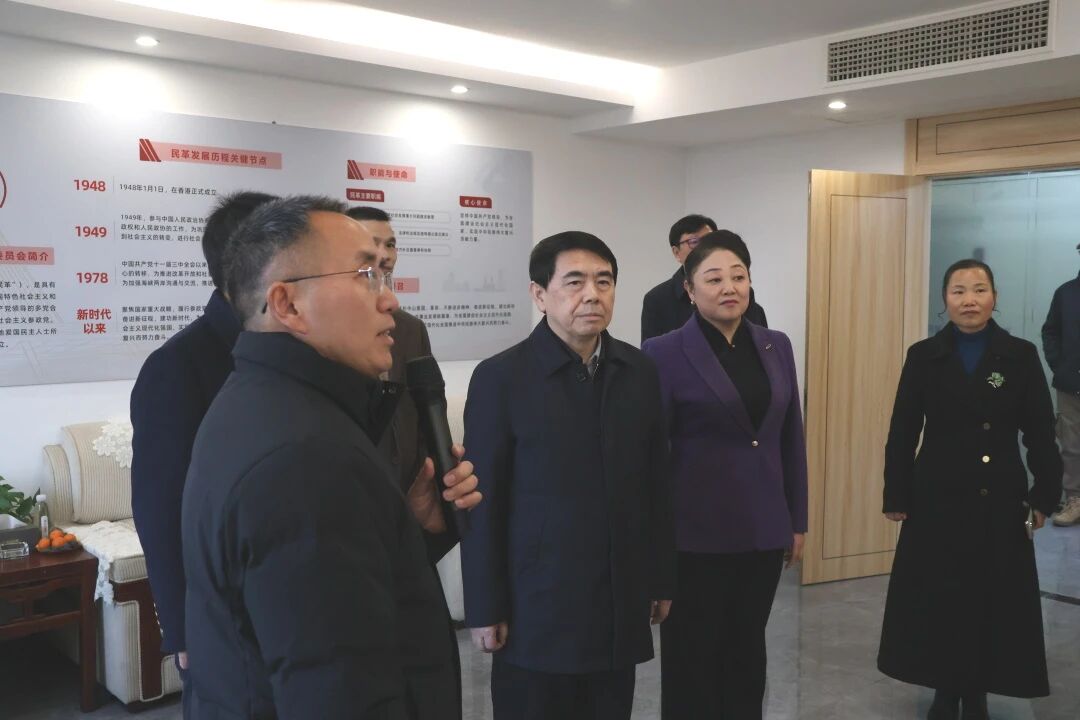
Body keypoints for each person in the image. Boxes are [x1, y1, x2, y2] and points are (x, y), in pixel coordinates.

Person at [181, 196, 481, 719]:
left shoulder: (263, 399)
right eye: (366, 275)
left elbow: (338, 600)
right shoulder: (306, 458)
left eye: (385, 274)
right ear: (288, 304)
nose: (389, 300)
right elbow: (337, 688)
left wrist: (412, 527)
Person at [461, 231, 675, 720]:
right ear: (539, 294)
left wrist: (660, 576)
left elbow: (656, 483)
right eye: (575, 282)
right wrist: (485, 606)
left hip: (617, 597)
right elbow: (482, 502)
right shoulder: (501, 377)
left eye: (604, 281)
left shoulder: (638, 371)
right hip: (537, 603)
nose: (592, 295)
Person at [879, 259, 1062, 720]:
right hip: (935, 497)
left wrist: (1044, 495)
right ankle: (945, 688)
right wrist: (896, 493)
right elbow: (903, 429)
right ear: (945, 300)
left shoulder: (1019, 355)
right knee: (940, 597)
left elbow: (1041, 431)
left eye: (979, 290)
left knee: (990, 598)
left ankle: (977, 689)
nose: (969, 300)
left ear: (994, 297)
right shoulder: (924, 355)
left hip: (999, 497)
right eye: (958, 291)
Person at [641, 232, 808, 719]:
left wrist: (796, 519)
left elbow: (790, 437)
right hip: (693, 536)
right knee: (692, 658)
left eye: (739, 276)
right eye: (713, 279)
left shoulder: (775, 345)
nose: (729, 287)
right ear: (690, 290)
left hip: (762, 530)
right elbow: (652, 453)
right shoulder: (663, 351)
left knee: (747, 653)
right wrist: (652, 538)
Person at [130, 190, 277, 684]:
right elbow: (160, 509)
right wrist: (182, 629)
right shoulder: (177, 366)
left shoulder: (299, 350)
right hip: (225, 612)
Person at [640, 215, 767, 343]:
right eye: (694, 242)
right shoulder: (657, 299)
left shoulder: (746, 298)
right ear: (676, 252)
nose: (705, 247)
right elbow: (653, 353)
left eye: (710, 239)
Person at [1041, 247, 1080, 526]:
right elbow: (1050, 331)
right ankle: (1074, 499)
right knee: (1071, 447)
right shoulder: (1066, 293)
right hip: (1070, 384)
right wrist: (1060, 365)